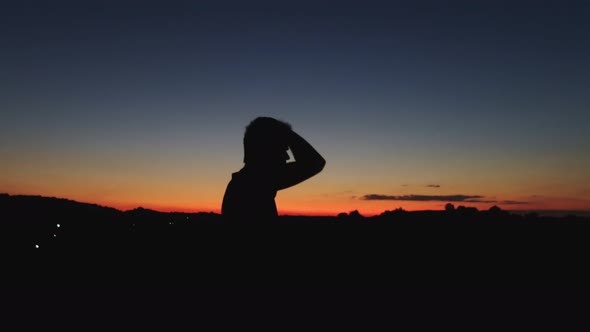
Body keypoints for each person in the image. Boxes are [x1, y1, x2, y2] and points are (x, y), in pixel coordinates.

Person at [221, 117, 326, 223]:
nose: (287, 157)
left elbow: (315, 163)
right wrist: (286, 133)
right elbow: (315, 163)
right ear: (266, 150)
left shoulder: (245, 182)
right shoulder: (258, 182)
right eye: (282, 149)